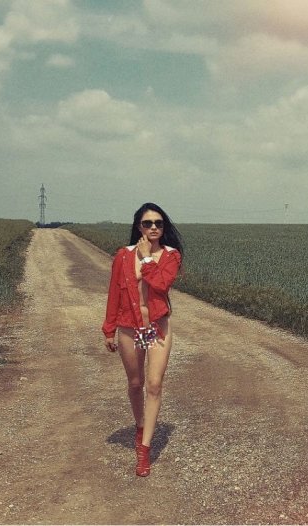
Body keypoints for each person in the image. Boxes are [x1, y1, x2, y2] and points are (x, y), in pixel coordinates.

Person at [102, 202, 183, 477]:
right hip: (130, 327)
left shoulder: (171, 255)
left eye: (159, 223)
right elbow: (114, 293)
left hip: (157, 327)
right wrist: (108, 329)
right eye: (148, 223)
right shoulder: (123, 256)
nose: (153, 227)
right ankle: (140, 426)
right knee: (135, 383)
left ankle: (145, 449)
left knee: (154, 384)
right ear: (139, 226)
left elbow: (160, 284)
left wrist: (148, 258)